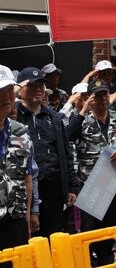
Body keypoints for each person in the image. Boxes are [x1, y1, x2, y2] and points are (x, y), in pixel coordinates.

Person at [14, 67, 77, 239]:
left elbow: (66, 153)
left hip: (53, 189)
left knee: (54, 236)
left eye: (41, 85)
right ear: (21, 90)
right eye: (32, 86)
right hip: (25, 189)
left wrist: (71, 186)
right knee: (30, 238)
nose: (38, 89)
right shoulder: (14, 116)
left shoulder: (54, 118)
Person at [67, 79, 116, 266]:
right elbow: (69, 136)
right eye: (98, 95)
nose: (103, 99)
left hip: (113, 181)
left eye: (105, 94)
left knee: (109, 231)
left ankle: (107, 260)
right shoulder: (82, 120)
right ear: (90, 98)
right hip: (91, 183)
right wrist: (83, 110)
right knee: (89, 232)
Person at [0, 65, 34, 253]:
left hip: (16, 221)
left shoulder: (21, 132)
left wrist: (27, 218)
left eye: (9, 90)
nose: (6, 96)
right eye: (0, 91)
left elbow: (27, 177)